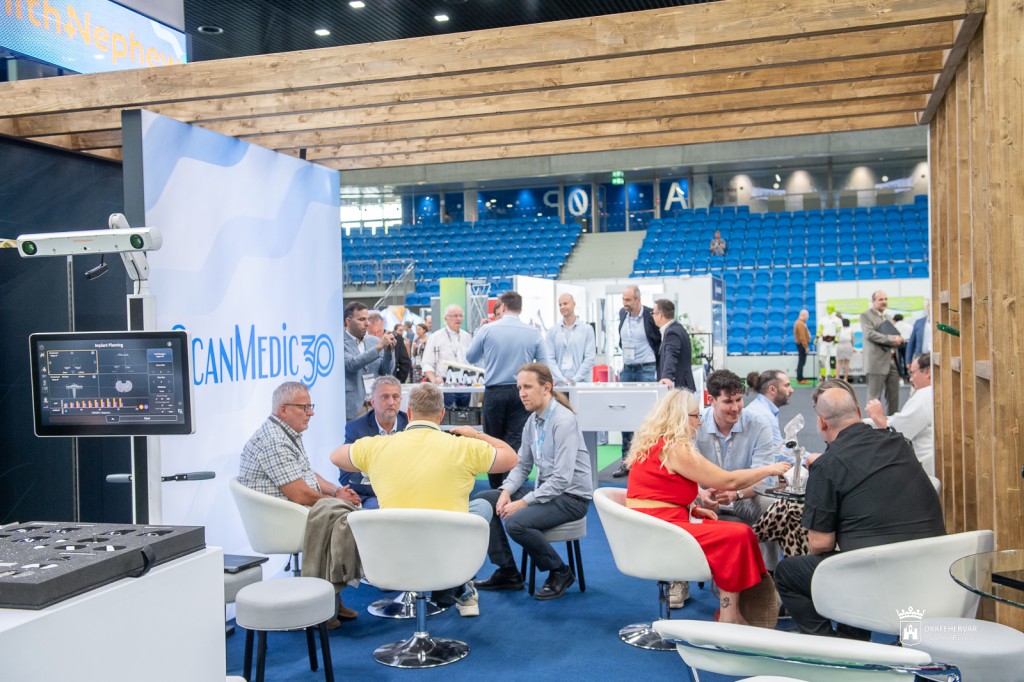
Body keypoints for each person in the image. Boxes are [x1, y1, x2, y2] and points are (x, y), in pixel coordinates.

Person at [332, 382, 518, 617]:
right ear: (442, 414)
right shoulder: (465, 447)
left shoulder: (377, 446)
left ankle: (455, 588)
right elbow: (511, 457)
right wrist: (477, 434)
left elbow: (336, 456)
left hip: (392, 554)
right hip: (446, 553)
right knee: (481, 505)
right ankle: (458, 586)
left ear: (409, 413)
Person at [774, 386, 945, 638]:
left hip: (874, 575)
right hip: (930, 566)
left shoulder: (827, 466)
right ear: (857, 412)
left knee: (788, 572)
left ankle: (831, 648)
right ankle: (851, 638)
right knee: (855, 557)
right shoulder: (900, 443)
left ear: (821, 423)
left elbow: (820, 543)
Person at [626, 390, 790, 622]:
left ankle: (731, 610)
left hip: (654, 523)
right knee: (737, 535)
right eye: (696, 416)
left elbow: (656, 492)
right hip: (661, 527)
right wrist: (769, 469)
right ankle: (730, 613)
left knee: (740, 533)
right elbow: (727, 481)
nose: (699, 422)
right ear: (682, 417)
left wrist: (692, 509)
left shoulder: (657, 444)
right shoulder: (674, 448)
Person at [239, 381, 363, 621]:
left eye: (311, 406)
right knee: (341, 516)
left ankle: (330, 597)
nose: (311, 412)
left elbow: (307, 474)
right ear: (283, 409)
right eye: (304, 407)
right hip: (279, 519)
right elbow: (300, 494)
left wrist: (337, 490)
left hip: (292, 511)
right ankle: (322, 603)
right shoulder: (274, 440)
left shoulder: (286, 433)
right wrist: (337, 499)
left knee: (341, 509)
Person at [474, 363, 594, 601]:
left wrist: (523, 502)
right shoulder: (532, 421)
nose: (522, 394)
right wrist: (506, 491)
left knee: (515, 523)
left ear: (547, 387)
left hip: (571, 498)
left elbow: (561, 479)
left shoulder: (563, 421)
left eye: (527, 387)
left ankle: (560, 571)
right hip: (547, 492)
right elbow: (522, 465)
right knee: (484, 501)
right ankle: (508, 572)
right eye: (519, 388)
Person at [467, 291, 551, 488]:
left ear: (502, 307)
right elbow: (544, 366)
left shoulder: (487, 330)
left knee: (492, 440)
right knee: (516, 441)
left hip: (494, 392)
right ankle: (510, 487)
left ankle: (495, 489)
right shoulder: (533, 332)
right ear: (520, 309)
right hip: (522, 392)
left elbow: (470, 357)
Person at [339, 376, 410, 509]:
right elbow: (347, 477)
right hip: (373, 495)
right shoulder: (356, 428)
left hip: (409, 491)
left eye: (395, 397)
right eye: (385, 397)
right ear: (372, 402)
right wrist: (386, 488)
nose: (391, 402)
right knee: (375, 508)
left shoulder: (410, 424)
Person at [613, 284, 661, 477]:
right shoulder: (622, 314)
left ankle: (647, 463)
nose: (625, 303)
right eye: (623, 299)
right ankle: (627, 462)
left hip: (646, 370)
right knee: (625, 416)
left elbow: (658, 341)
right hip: (627, 370)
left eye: (628, 300)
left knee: (647, 417)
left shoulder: (650, 315)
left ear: (638, 300)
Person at [866, 352, 934, 476]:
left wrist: (876, 416)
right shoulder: (936, 393)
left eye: (913, 373)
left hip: (923, 471)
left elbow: (896, 432)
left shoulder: (923, 396)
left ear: (927, 371)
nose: (911, 379)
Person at [343, 302, 395, 421]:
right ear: (348, 321)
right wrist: (379, 347)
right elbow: (352, 364)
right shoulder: (339, 343)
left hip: (375, 406)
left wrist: (388, 352)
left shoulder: (374, 341)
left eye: (367, 319)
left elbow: (386, 372)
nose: (367, 323)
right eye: (362, 319)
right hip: (354, 408)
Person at [859, 290, 903, 415]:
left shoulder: (888, 317)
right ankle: (872, 424)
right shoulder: (865, 315)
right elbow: (870, 334)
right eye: (881, 299)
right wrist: (892, 339)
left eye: (886, 299)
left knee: (894, 398)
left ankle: (892, 423)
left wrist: (899, 338)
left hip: (892, 362)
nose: (884, 302)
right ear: (873, 302)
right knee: (874, 398)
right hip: (876, 363)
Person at [422, 304, 473, 407]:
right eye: (455, 315)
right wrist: (434, 380)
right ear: (446, 318)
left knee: (464, 414)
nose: (458, 318)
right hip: (444, 384)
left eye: (460, 316)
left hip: (465, 384)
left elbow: (471, 361)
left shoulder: (467, 337)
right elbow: (427, 363)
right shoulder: (435, 337)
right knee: (447, 414)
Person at [546, 293, 596, 386]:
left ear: (574, 304)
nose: (562, 307)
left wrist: (574, 379)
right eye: (560, 304)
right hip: (560, 384)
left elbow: (589, 358)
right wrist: (562, 379)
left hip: (581, 383)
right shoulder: (552, 331)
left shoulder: (587, 329)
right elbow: (550, 359)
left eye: (565, 303)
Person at [652, 298, 695, 392]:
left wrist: (667, 376)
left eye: (653, 313)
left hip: (679, 387)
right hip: (681, 386)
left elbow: (671, 354)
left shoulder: (672, 333)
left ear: (660, 315)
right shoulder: (676, 328)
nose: (652, 316)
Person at [744, 369, 794, 446]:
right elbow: (778, 451)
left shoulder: (759, 406)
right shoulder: (766, 416)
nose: (792, 390)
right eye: (786, 385)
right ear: (772, 390)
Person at [369, 310, 410, 383]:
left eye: (378, 331)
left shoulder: (396, 338)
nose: (376, 335)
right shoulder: (364, 339)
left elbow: (405, 363)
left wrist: (397, 382)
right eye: (372, 332)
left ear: (383, 324)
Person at [817, 306, 841, 380]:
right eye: (828, 309)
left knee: (833, 359)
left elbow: (838, 331)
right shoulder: (822, 320)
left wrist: (836, 338)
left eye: (830, 309)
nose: (829, 311)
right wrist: (817, 337)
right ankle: (823, 376)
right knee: (821, 360)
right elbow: (820, 330)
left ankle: (832, 376)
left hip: (833, 342)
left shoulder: (838, 320)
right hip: (824, 342)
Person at [905, 302, 931, 366]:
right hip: (921, 358)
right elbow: (911, 342)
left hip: (936, 358)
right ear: (927, 307)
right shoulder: (919, 322)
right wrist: (908, 361)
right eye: (930, 305)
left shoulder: (942, 323)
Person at [892, 313, 913, 379]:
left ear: (894, 320)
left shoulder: (894, 326)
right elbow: (912, 335)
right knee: (906, 359)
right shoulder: (908, 326)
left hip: (897, 344)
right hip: (907, 343)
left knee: (898, 360)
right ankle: (907, 373)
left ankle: (900, 375)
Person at [793, 309, 811, 384]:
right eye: (807, 315)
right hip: (802, 345)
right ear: (804, 315)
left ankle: (800, 377)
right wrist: (806, 347)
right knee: (801, 361)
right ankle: (800, 379)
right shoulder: (800, 323)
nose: (808, 317)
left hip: (801, 344)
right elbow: (802, 337)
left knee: (802, 361)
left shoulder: (800, 322)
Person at [835, 318, 854, 382]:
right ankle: (845, 378)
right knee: (847, 363)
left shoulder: (839, 329)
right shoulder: (851, 329)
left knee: (839, 362)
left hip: (840, 345)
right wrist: (852, 347)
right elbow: (852, 339)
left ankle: (837, 377)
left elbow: (836, 338)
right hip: (848, 345)